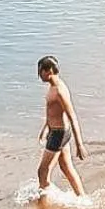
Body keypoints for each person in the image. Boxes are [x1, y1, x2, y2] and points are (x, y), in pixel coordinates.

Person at [36, 54, 86, 198]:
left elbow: (72, 116)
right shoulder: (52, 87)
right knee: (66, 168)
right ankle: (82, 198)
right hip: (55, 131)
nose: (39, 76)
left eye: (41, 72)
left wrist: (79, 144)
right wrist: (45, 127)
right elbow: (52, 111)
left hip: (59, 134)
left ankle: (45, 203)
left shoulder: (59, 90)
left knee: (42, 172)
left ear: (49, 70)